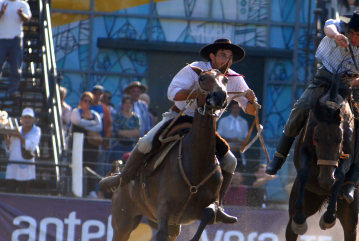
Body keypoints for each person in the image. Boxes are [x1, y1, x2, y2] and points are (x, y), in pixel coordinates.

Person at [101, 39, 258, 224]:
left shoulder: (235, 78)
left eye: (230, 57)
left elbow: (250, 110)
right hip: (180, 117)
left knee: (230, 161)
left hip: (206, 126)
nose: (227, 60)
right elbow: (172, 92)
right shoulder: (194, 69)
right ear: (212, 55)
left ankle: (217, 205)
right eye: (224, 55)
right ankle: (123, 177)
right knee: (144, 142)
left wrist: (252, 101)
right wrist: (199, 93)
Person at [265, 12, 359, 203]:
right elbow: (328, 26)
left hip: (355, 84)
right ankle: (279, 157)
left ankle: (352, 179)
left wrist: (352, 85)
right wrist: (336, 36)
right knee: (301, 108)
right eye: (352, 33)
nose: (354, 37)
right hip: (326, 76)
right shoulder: (340, 28)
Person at [0, 0, 31, 98]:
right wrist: (2, 12)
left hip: (16, 39)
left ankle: (13, 90)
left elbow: (27, 19)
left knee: (16, 68)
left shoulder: (23, 5)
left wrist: (21, 14)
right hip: (1, 38)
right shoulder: (1, 3)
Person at [71, 92, 102, 198]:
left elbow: (99, 127)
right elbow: (77, 121)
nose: (87, 103)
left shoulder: (95, 114)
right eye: (85, 100)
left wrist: (85, 126)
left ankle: (91, 191)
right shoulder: (76, 111)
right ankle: (77, 191)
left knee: (91, 166)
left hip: (91, 145)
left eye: (90, 101)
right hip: (78, 145)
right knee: (78, 166)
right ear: (81, 101)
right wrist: (91, 124)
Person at [4, 108, 40, 194]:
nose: (27, 120)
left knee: (23, 194)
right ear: (21, 119)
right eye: (25, 117)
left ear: (33, 119)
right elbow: (9, 149)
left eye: (29, 117)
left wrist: (19, 136)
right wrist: (6, 137)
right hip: (12, 168)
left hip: (26, 169)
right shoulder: (16, 130)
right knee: (9, 193)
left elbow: (31, 147)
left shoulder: (37, 130)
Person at [217, 100, 250, 172]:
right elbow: (219, 136)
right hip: (226, 150)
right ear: (231, 109)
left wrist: (239, 141)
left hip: (238, 151)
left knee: (238, 170)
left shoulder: (244, 122)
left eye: (237, 108)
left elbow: (245, 139)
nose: (236, 110)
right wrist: (231, 140)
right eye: (234, 108)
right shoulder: (223, 121)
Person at [109, 95, 141, 168]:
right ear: (122, 104)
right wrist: (131, 132)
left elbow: (137, 132)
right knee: (117, 167)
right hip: (119, 146)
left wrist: (124, 132)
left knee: (130, 167)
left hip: (131, 146)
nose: (128, 105)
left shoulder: (136, 117)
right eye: (126, 103)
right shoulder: (118, 116)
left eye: (130, 103)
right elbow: (117, 131)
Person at [91, 85, 113, 181]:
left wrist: (107, 137)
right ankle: (89, 191)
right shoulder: (88, 106)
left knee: (100, 167)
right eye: (95, 94)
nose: (97, 96)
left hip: (101, 142)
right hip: (89, 141)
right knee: (89, 165)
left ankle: (98, 191)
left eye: (100, 94)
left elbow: (108, 125)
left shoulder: (105, 108)